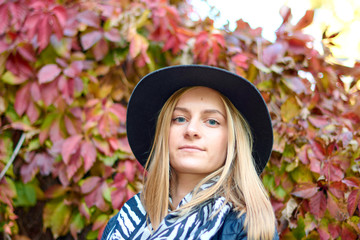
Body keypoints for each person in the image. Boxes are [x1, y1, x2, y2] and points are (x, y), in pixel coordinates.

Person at [102, 65, 279, 240]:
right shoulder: (119, 226)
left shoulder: (247, 227)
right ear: (163, 132)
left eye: (211, 121)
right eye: (179, 119)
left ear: (232, 141)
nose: (191, 130)